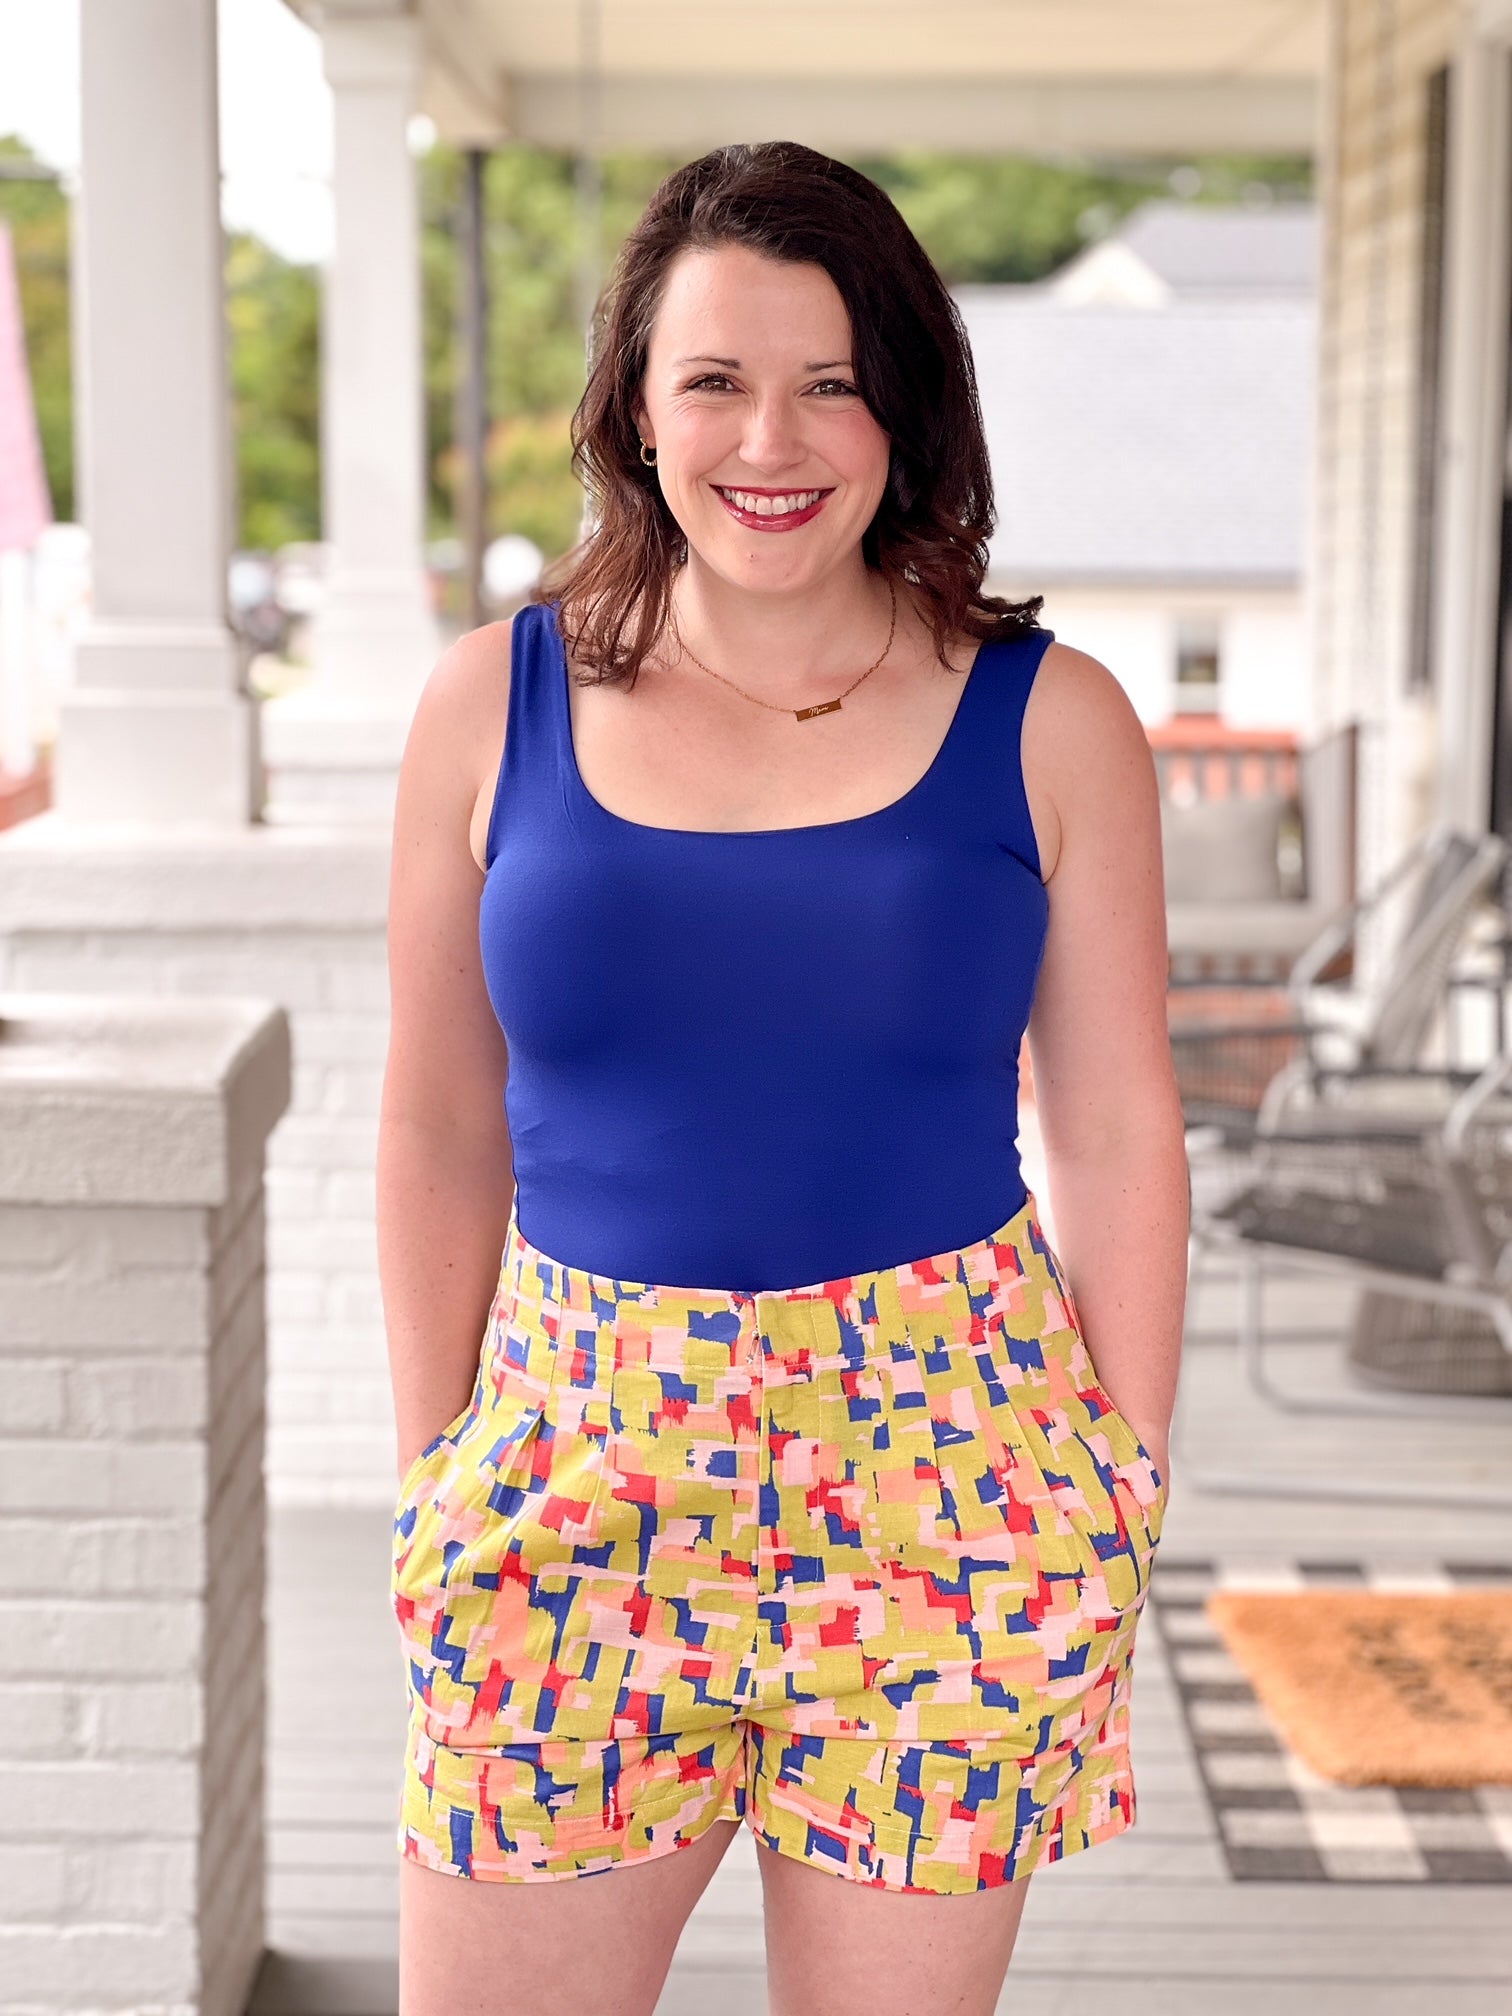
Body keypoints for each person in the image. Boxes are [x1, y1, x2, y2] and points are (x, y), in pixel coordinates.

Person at [379, 139, 1188, 2016]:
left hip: (953, 1487)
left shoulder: (1052, 719)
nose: (773, 438)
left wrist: (1124, 1482)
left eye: (832, 380)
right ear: (635, 411)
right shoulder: (488, 704)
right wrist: (437, 1472)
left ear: (905, 408)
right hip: (570, 1477)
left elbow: (1115, 1122)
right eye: (716, 380)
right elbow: (434, 1120)